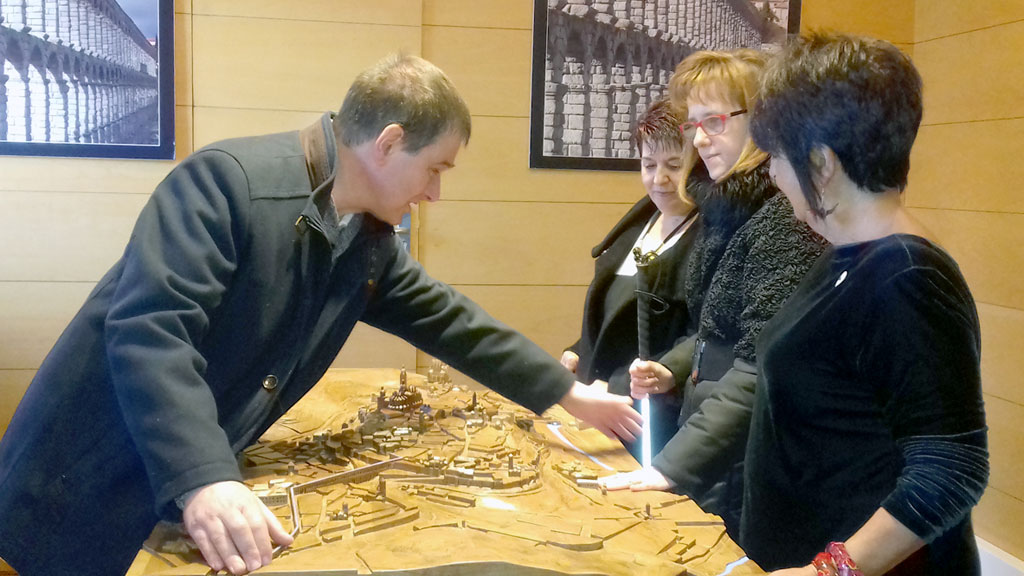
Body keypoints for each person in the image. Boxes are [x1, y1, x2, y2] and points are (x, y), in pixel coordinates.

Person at [0, 54, 642, 576]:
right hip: (84, 476)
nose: (435, 193)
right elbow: (149, 334)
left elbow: (451, 322)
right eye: (435, 169)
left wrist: (566, 393)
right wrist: (204, 480)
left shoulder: (363, 237)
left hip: (160, 480)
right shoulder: (226, 184)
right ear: (389, 143)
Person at [741, 32, 988, 575]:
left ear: (822, 163)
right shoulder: (846, 255)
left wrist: (830, 570)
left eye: (778, 157)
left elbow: (952, 468)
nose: (773, 175)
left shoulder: (907, 276)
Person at [598, 49, 824, 537]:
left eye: (715, 121)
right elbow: (712, 330)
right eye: (694, 124)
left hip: (754, 454)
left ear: (764, 120)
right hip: (716, 440)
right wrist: (672, 368)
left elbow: (759, 365)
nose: (700, 139)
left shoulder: (785, 218)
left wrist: (669, 468)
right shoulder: (726, 208)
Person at [560, 99, 698, 459]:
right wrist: (578, 352)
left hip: (656, 420)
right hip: (599, 402)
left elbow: (710, 330)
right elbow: (613, 315)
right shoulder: (640, 222)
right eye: (649, 165)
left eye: (674, 165)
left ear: (698, 166)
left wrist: (662, 371)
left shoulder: (712, 234)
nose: (659, 179)